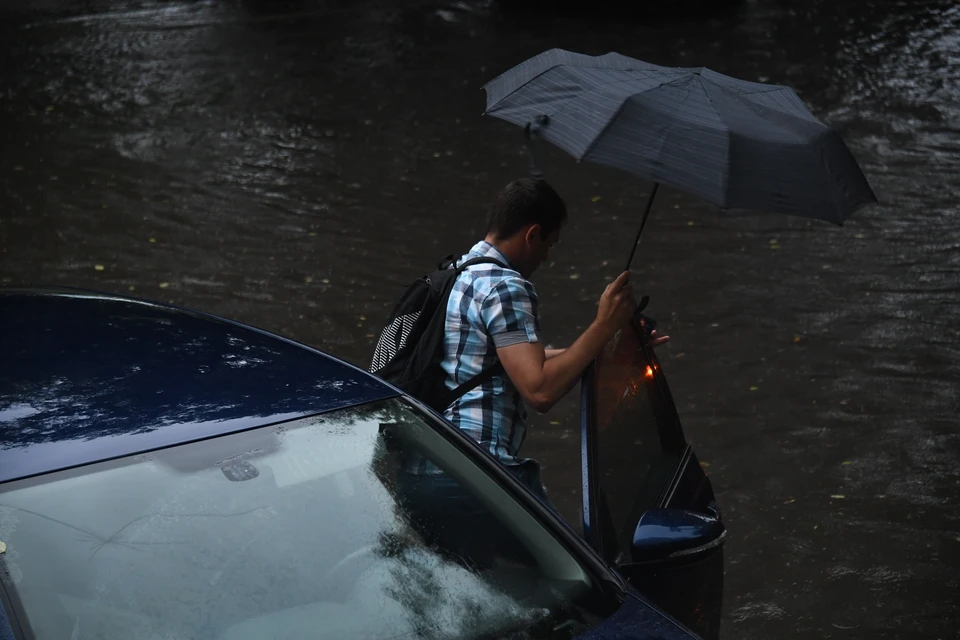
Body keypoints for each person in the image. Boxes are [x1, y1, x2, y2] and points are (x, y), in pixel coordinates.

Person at [399, 177, 669, 503]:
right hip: (475, 472)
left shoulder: (461, 273)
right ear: (532, 235)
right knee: (569, 555)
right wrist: (604, 324)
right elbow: (540, 389)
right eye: (550, 244)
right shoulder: (505, 286)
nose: (547, 258)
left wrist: (612, 349)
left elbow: (521, 359)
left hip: (426, 466)